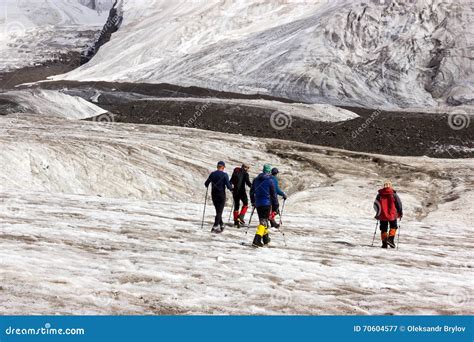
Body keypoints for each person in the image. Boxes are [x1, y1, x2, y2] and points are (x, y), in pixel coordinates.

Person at [250, 164, 278, 247]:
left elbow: (251, 192)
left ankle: (266, 239)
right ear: (269, 171)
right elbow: (274, 195)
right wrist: (276, 206)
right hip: (266, 203)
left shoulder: (256, 180)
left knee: (263, 221)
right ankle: (257, 239)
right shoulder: (270, 180)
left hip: (258, 203)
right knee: (263, 222)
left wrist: (253, 201)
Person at [205, 161, 233, 233]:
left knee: (218, 211)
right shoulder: (225, 175)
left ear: (217, 166)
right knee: (219, 211)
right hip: (221, 195)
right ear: (223, 167)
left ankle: (221, 224)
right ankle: (215, 226)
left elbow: (206, 183)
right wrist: (232, 189)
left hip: (214, 194)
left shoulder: (212, 174)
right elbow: (228, 186)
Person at [374, 180, 403, 248]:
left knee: (383, 228)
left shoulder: (379, 194)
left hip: (382, 214)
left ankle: (384, 243)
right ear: (390, 185)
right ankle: (390, 239)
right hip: (392, 214)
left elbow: (376, 204)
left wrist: (378, 212)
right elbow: (399, 204)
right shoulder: (393, 194)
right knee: (393, 226)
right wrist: (400, 212)